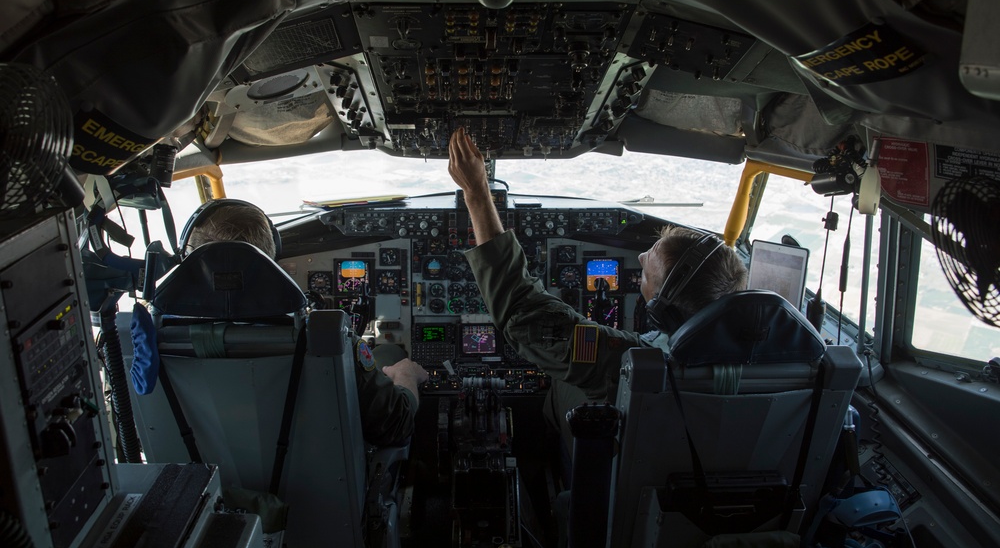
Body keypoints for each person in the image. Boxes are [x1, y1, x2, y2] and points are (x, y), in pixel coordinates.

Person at [447, 130, 748, 446]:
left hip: (625, 467)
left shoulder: (630, 362)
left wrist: (477, 192)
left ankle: (552, 461)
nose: (641, 256)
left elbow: (523, 316)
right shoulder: (781, 357)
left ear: (663, 310)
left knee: (564, 378)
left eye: (646, 272)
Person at [185, 199, 428, 446]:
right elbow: (396, 425)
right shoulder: (323, 337)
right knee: (388, 352)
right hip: (327, 480)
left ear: (186, 256)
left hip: (204, 481)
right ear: (271, 259)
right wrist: (406, 374)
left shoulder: (150, 345)